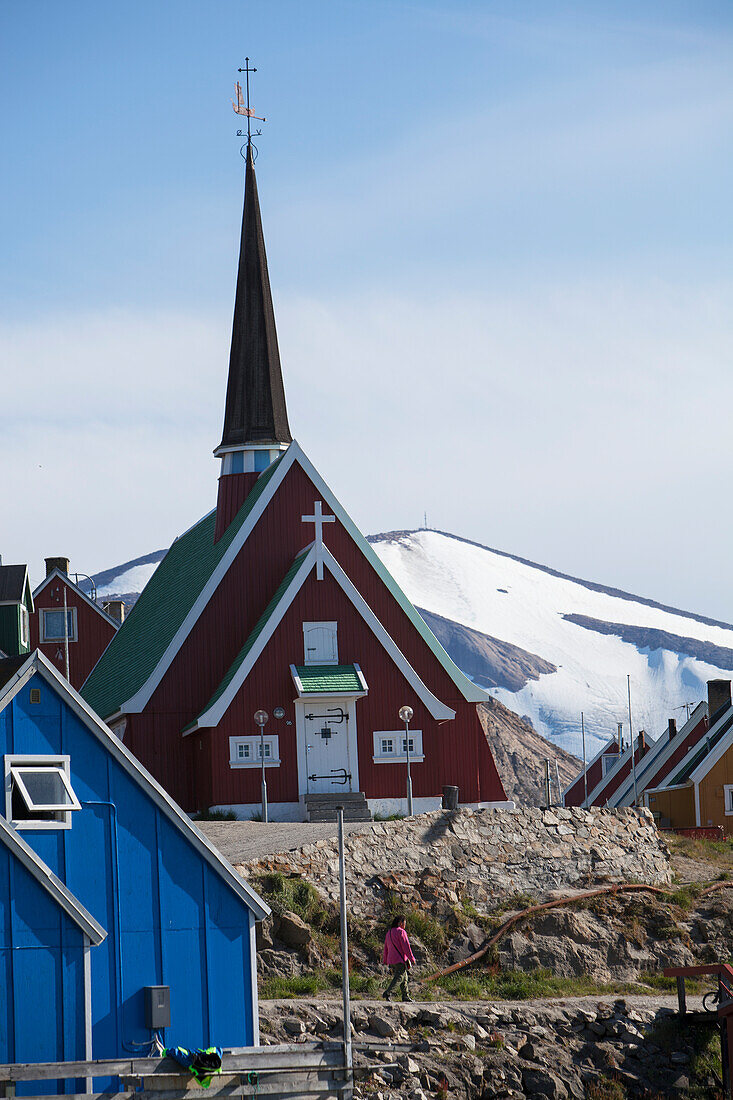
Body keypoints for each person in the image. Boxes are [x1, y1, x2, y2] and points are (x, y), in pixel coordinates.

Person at [382, 916, 416, 1002]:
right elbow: (406, 947)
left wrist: (385, 959)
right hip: (399, 959)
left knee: (404, 978)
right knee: (399, 977)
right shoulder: (401, 932)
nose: (405, 925)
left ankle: (405, 996)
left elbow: (386, 948)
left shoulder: (388, 933)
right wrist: (412, 958)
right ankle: (388, 992)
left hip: (391, 959)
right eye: (404, 923)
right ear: (400, 923)